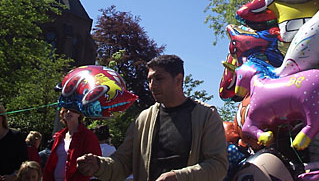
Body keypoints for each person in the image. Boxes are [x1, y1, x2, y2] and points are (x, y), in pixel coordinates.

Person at [77, 54, 228, 181]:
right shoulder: (143, 120)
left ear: (178, 80)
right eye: (149, 80)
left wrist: (178, 177)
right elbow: (122, 163)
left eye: (159, 78)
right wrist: (98, 165)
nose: (152, 85)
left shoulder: (207, 116)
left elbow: (218, 166)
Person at [42, 108, 101, 181]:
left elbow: (92, 165)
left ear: (79, 114)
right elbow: (51, 164)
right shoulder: (59, 136)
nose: (68, 112)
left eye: (73, 110)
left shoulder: (88, 136)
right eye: (66, 110)